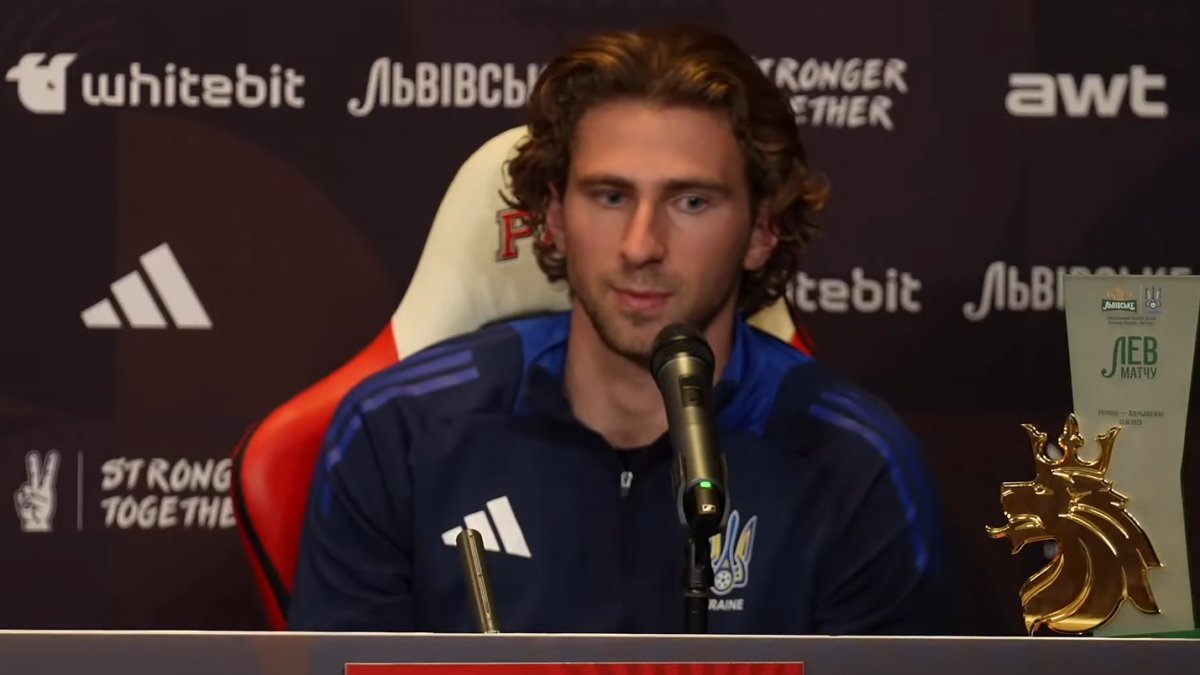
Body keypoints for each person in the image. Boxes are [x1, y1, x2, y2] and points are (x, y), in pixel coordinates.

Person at [287, 25, 947, 634]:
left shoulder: (853, 464)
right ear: (553, 215)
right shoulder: (399, 434)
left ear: (762, 230)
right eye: (610, 196)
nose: (640, 245)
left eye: (691, 201)